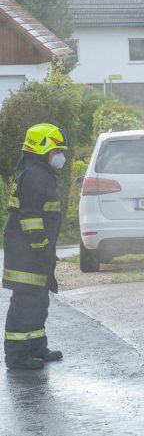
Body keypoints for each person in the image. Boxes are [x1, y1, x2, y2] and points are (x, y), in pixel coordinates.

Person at [4, 123, 68, 369]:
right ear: (42, 150)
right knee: (25, 301)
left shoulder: (40, 173)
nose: (60, 156)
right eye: (56, 151)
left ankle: (37, 348)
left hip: (36, 251)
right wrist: (41, 247)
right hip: (26, 251)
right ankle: (17, 357)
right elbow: (30, 216)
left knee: (39, 300)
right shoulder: (34, 175)